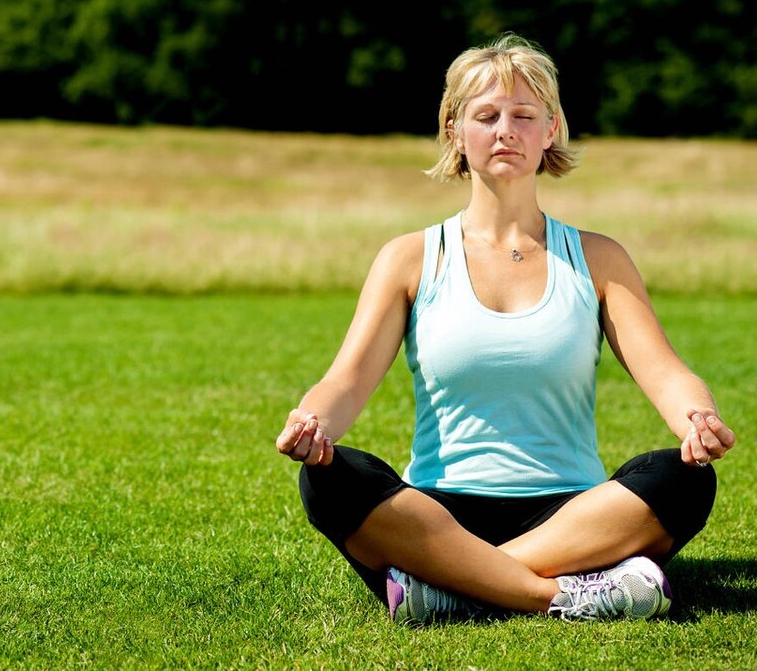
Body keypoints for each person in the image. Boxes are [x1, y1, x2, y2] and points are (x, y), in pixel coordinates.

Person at [275, 33, 736, 625]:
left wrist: (697, 418)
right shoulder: (409, 258)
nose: (505, 131)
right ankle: (565, 594)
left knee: (684, 479)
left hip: (572, 515)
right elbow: (346, 380)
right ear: (454, 131)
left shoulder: (598, 257)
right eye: (486, 116)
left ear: (550, 130)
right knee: (328, 479)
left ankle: (445, 585)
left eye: (524, 116)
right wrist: (311, 423)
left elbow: (666, 372)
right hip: (436, 514)